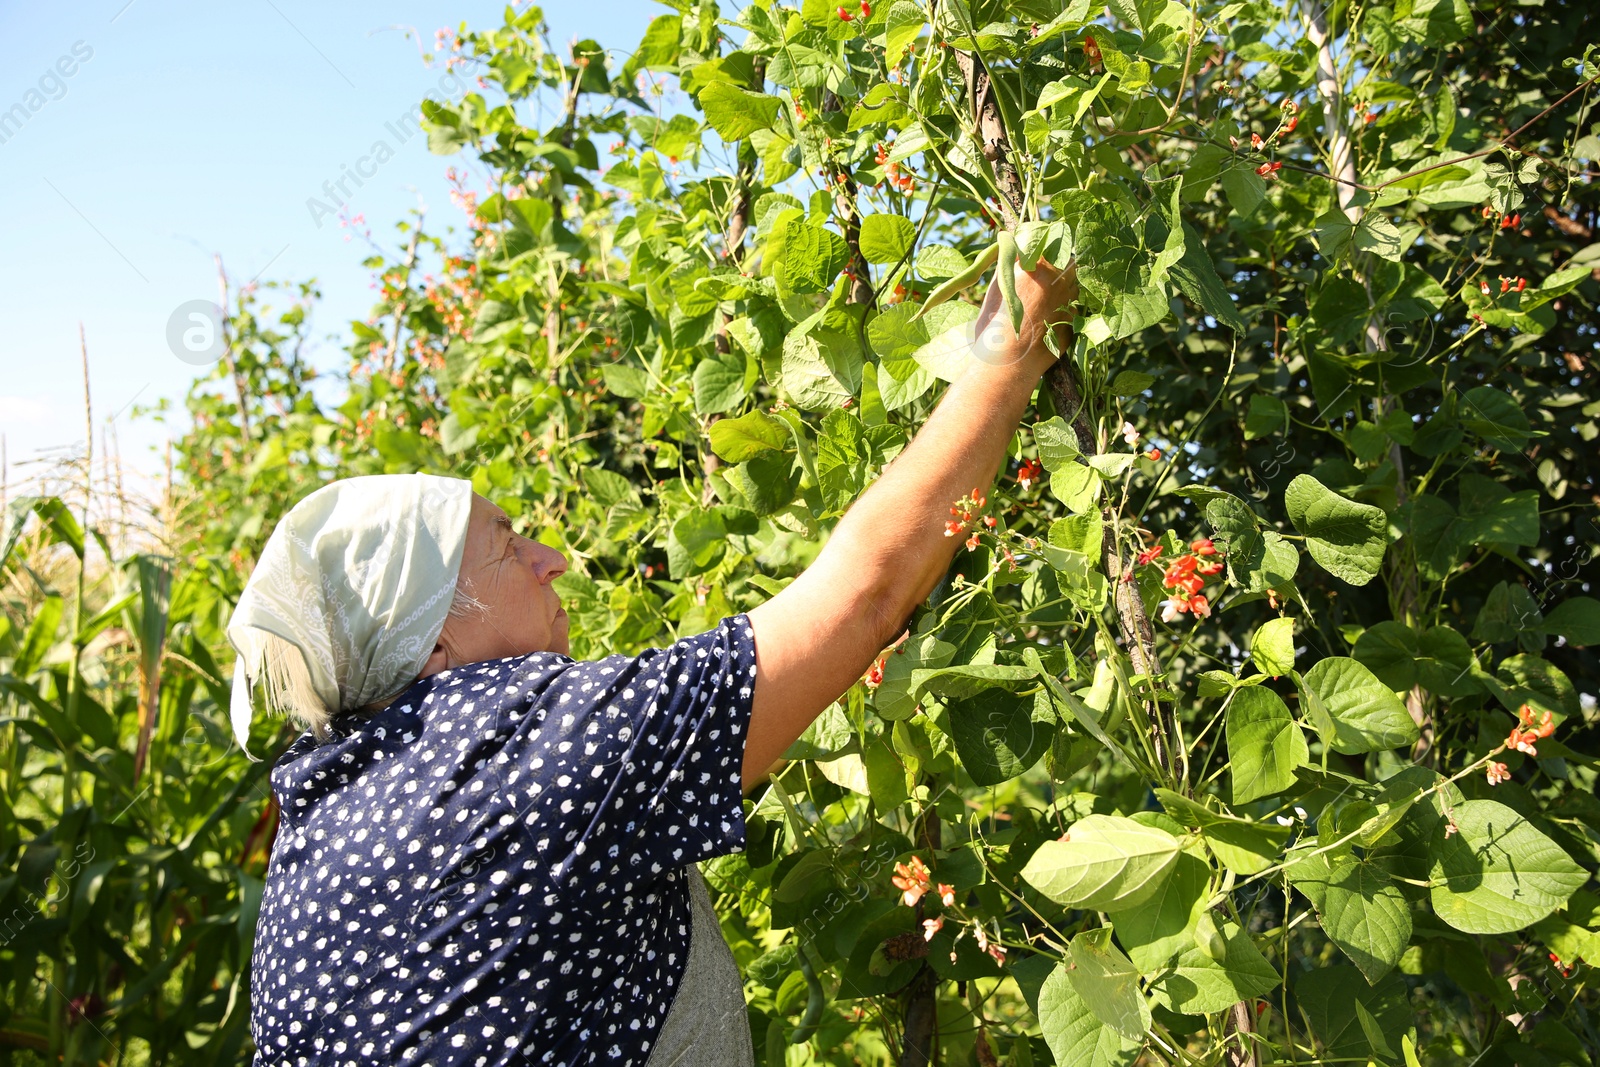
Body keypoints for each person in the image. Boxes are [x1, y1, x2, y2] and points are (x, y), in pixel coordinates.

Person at [227, 259, 1078, 1066]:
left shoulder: (323, 818)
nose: (550, 556)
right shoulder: (517, 750)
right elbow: (863, 599)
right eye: (507, 545)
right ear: (432, 642)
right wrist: (1015, 344)